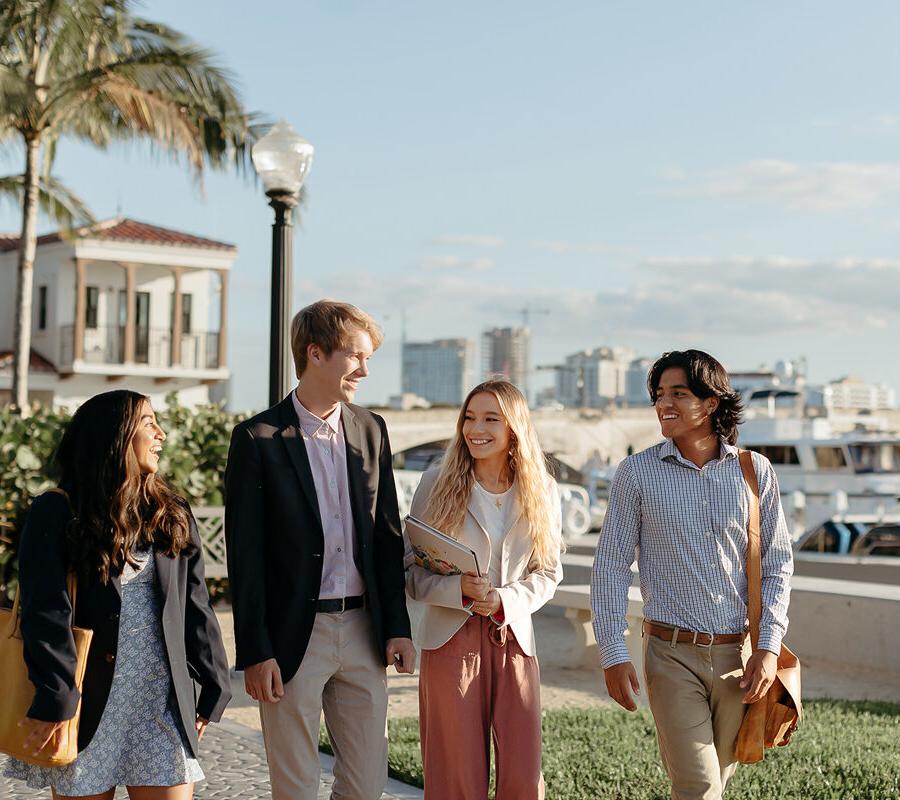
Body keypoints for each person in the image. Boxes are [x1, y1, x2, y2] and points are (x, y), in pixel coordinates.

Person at [224, 299, 415, 800]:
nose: (366, 370)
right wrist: (255, 651)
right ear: (315, 353)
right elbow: (245, 555)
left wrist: (397, 626)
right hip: (291, 638)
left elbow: (388, 534)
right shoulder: (256, 438)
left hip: (362, 631)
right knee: (296, 787)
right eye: (356, 357)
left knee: (367, 785)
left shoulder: (371, 430)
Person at [3, 390, 232, 799]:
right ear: (115, 436)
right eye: (148, 423)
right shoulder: (58, 511)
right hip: (87, 702)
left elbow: (194, 602)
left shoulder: (170, 511)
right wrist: (57, 695)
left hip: (159, 702)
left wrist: (213, 682)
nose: (161, 433)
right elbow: (47, 612)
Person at [591, 350, 793, 800]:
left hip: (737, 660)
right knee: (698, 785)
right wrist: (611, 650)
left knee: (714, 783)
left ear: (712, 403)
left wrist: (768, 647)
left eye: (678, 393)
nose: (665, 403)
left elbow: (778, 564)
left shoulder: (754, 471)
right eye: (659, 394)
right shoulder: (637, 473)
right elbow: (610, 566)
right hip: (670, 654)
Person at [405, 380, 563, 800]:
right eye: (470, 418)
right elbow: (409, 570)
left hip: (514, 639)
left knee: (523, 777)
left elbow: (548, 572)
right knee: (455, 776)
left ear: (514, 427)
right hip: (450, 639)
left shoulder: (542, 490)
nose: (476, 428)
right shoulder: (436, 483)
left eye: (491, 418)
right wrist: (456, 588)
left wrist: (505, 599)